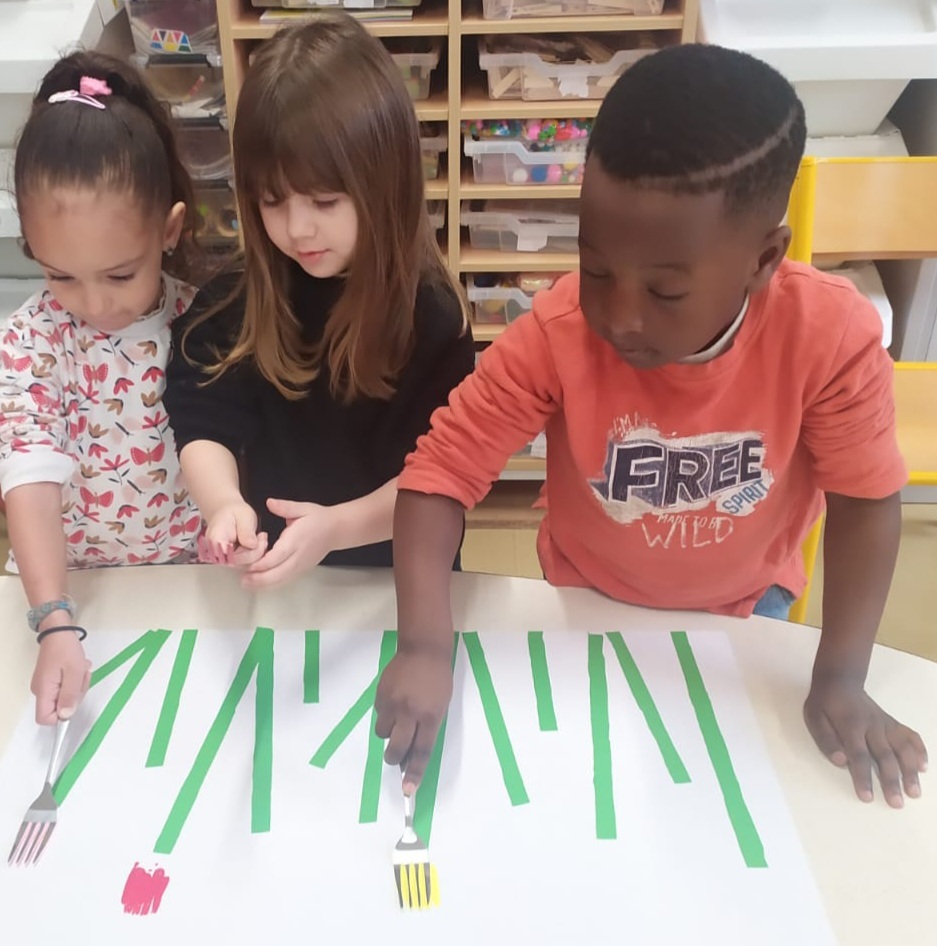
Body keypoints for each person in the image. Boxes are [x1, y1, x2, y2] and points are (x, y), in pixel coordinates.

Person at [376, 43, 928, 809]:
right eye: (595, 269)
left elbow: (865, 501)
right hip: (584, 598)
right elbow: (439, 476)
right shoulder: (558, 332)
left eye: (665, 292)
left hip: (746, 608)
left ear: (763, 258)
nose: (619, 317)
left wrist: (840, 677)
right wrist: (423, 645)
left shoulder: (827, 337)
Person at [163, 13, 474, 586]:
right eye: (272, 201)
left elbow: (443, 473)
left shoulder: (433, 317)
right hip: (285, 580)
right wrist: (224, 504)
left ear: (386, 182)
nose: (297, 228)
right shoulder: (235, 302)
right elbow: (202, 419)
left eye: (325, 201)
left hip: (404, 573)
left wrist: (335, 528)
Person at [0, 51, 203, 724]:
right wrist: (54, 617)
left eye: (119, 275)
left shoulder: (203, 319)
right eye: (60, 275)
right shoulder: (30, 340)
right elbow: (28, 474)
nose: (93, 304)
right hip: (73, 588)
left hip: (194, 579)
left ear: (168, 231)